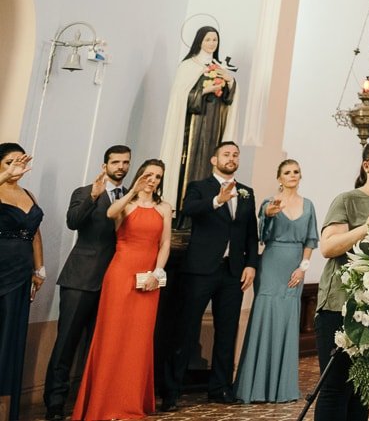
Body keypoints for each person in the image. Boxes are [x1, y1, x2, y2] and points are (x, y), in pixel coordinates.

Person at [161, 140, 259, 409]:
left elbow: (251, 233)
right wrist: (218, 200)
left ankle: (220, 388)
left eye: (235, 155)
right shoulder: (198, 187)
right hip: (200, 270)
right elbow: (189, 210)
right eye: (226, 154)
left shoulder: (247, 192)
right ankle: (172, 391)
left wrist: (251, 264)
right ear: (214, 160)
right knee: (186, 330)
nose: (232, 158)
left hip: (233, 272)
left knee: (227, 333)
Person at [71, 159, 171, 421]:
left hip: (149, 279)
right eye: (148, 175)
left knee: (138, 339)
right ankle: (105, 401)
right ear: (139, 176)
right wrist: (133, 191)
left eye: (158, 177)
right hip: (120, 275)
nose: (153, 180)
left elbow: (165, 243)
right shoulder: (127, 206)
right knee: (113, 336)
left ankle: (130, 400)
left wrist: (157, 273)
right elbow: (110, 213)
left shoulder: (164, 208)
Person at [315, 138, 369, 421]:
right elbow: (328, 247)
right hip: (340, 304)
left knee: (363, 388)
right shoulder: (348, 200)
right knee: (335, 387)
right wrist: (364, 228)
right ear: (367, 164)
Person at [44, 145, 131, 421]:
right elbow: (73, 222)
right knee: (66, 342)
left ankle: (92, 399)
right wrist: (93, 196)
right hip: (81, 278)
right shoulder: (84, 191)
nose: (121, 166)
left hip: (115, 281)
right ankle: (55, 403)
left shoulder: (132, 197)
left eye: (125, 162)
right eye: (115, 162)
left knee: (101, 345)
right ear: (105, 165)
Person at [234, 158, 317, 403]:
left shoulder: (309, 205)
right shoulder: (269, 203)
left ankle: (282, 388)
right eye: (287, 172)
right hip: (270, 264)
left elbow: (311, 240)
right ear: (279, 178)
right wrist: (268, 215)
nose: (293, 175)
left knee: (287, 321)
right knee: (264, 317)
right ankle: (254, 386)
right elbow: (262, 235)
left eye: (296, 171)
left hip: (295, 268)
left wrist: (303, 268)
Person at [160, 26, 236, 213]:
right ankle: (183, 214)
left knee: (210, 162)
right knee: (189, 164)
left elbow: (228, 98)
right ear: (200, 41)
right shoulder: (188, 66)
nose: (212, 43)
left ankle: (211, 206)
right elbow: (181, 96)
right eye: (208, 39)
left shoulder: (219, 67)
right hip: (192, 125)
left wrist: (230, 81)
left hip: (213, 124)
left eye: (215, 40)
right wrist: (205, 91)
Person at [0, 144, 43, 421]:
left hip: (21, 274)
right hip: (0, 271)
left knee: (11, 340)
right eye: (9, 162)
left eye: (19, 161)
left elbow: (34, 234)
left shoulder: (28, 194)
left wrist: (40, 269)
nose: (16, 167)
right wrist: (4, 177)